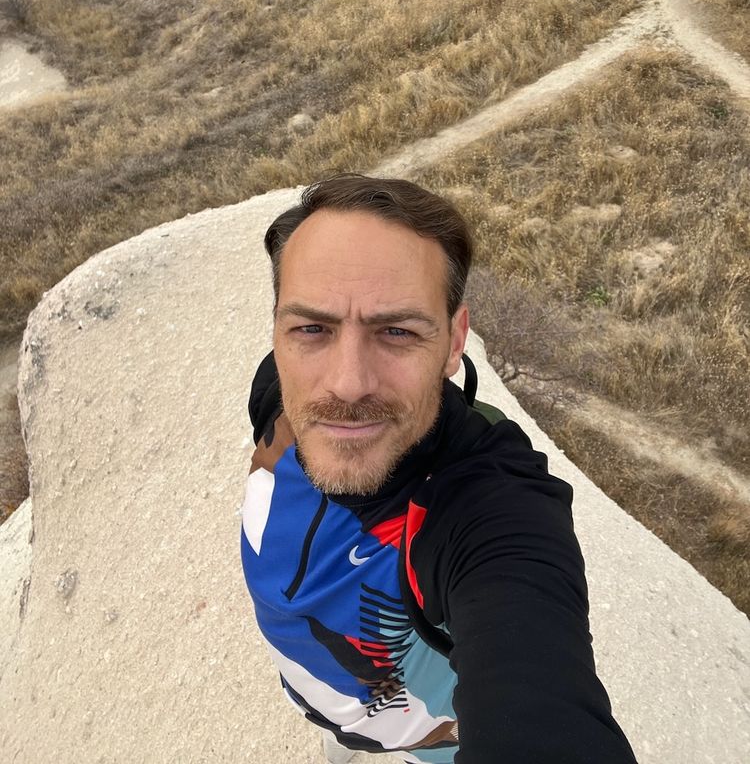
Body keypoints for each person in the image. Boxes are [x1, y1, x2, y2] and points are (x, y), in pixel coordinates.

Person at [240, 174, 637, 763]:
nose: (347, 383)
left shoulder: (488, 503)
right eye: (312, 328)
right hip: (323, 693)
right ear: (279, 330)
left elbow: (534, 681)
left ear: (454, 342)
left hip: (423, 730)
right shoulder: (275, 388)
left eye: (397, 331)